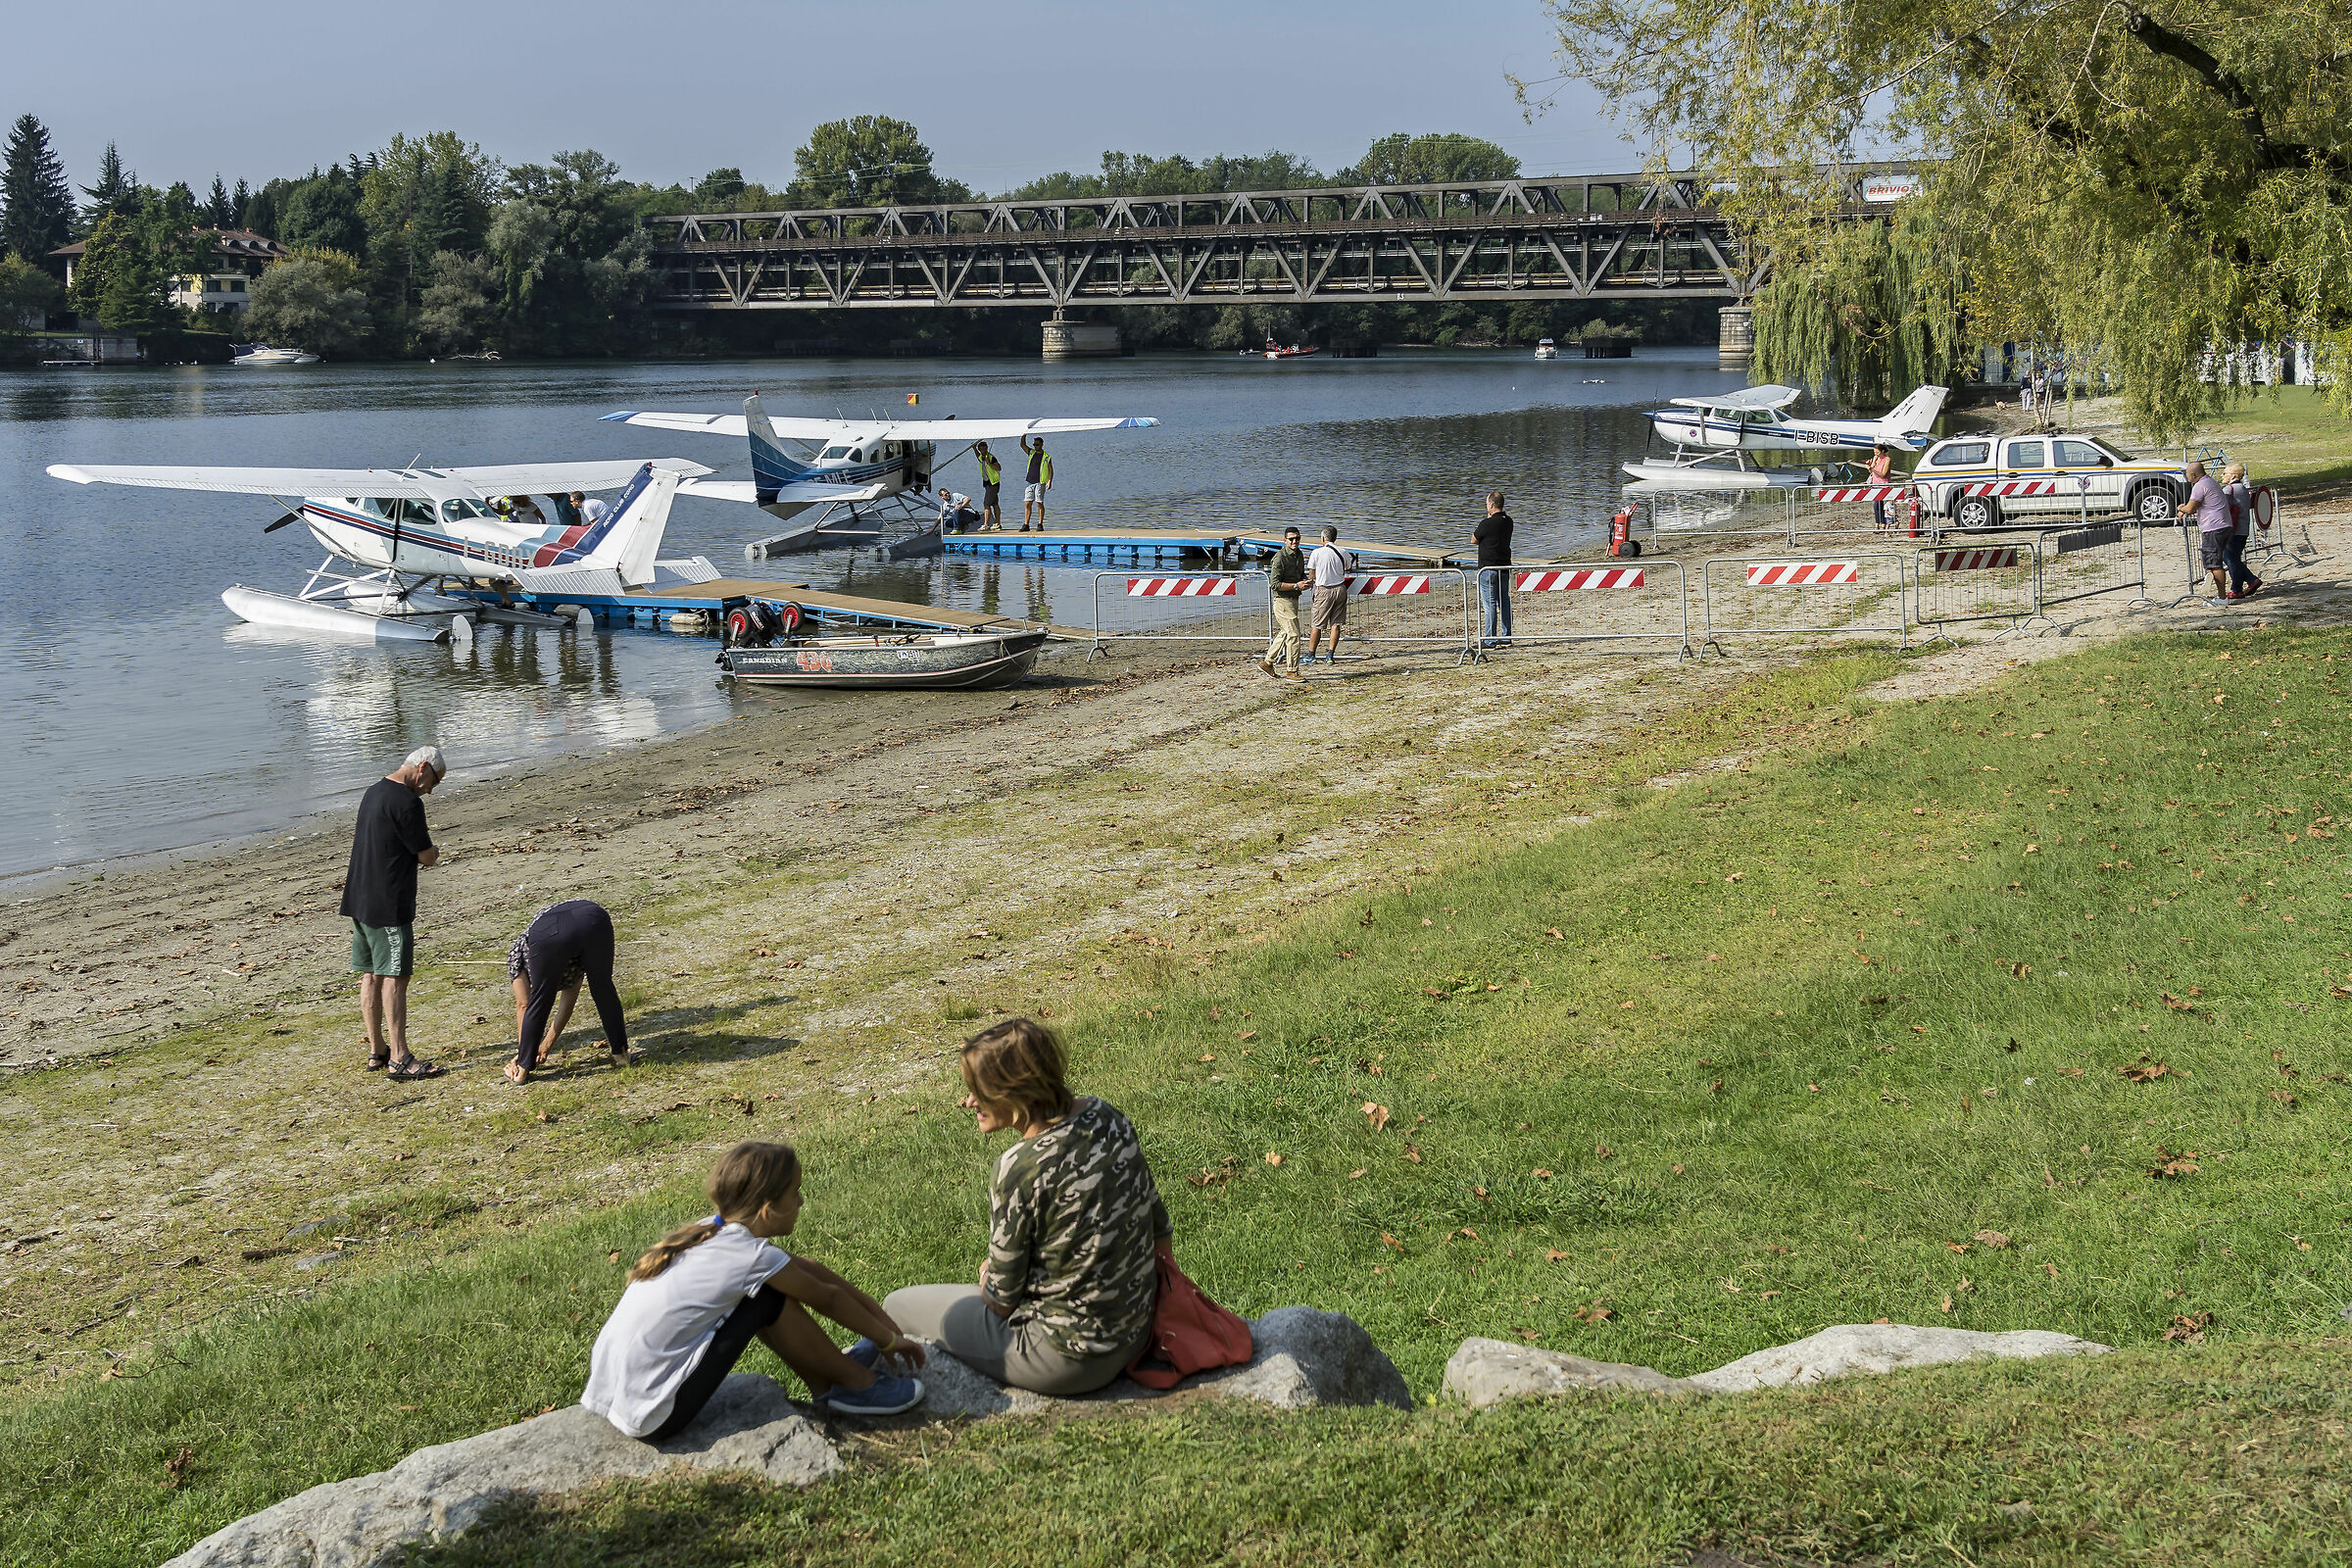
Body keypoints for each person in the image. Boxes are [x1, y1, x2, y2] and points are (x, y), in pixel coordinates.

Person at [883, 1020, 1168, 1396]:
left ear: (1013, 1091)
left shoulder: (1017, 1167)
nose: (968, 1102)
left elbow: (1001, 1302)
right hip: (1138, 1334)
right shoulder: (1106, 1117)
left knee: (895, 1304)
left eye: (977, 1091)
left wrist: (988, 1273)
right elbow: (1158, 1227)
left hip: (1066, 1361)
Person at [582, 1141, 927, 1436]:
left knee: (767, 1288)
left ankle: (832, 1375)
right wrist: (888, 1340)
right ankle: (853, 1384)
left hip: (622, 1396)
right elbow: (828, 1298)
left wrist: (881, 1321)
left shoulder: (711, 1231)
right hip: (656, 1414)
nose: (802, 1202)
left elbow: (809, 1269)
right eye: (795, 1193)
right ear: (768, 1209)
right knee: (765, 1297)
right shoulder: (749, 1257)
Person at [340, 746, 446, 1081]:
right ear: (423, 767)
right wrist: (434, 852)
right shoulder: (407, 802)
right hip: (388, 905)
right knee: (395, 978)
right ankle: (399, 1058)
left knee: (370, 975)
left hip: (359, 898)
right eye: (433, 782)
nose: (430, 790)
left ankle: (377, 1050)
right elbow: (426, 856)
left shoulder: (374, 791)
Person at [506, 900, 636, 1087]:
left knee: (541, 999)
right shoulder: (571, 962)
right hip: (594, 917)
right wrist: (542, 1047)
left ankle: (522, 1072)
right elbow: (568, 1002)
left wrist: (525, 1054)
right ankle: (621, 1055)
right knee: (603, 987)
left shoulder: (516, 957)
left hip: (549, 932)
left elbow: (525, 1005)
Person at [2177, 461, 2233, 607]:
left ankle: (2222, 598)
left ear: (2194, 475)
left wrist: (2181, 508)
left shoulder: (2199, 486)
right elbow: (2196, 507)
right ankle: (2208, 578)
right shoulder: (2211, 482)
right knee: (2210, 560)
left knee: (2215, 564)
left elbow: (2190, 509)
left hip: (2213, 528)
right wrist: (2187, 508)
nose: (2187, 477)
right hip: (2224, 525)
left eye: (2188, 475)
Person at [1257, 525, 1309, 682]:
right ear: (1285, 540)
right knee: (1294, 634)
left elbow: (1300, 575)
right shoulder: (1280, 557)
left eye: (1297, 538)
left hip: (1294, 599)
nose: (1295, 541)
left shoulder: (1299, 555)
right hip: (1282, 601)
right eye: (1291, 539)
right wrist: (1295, 586)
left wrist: (1306, 581)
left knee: (1286, 632)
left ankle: (1267, 663)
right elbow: (1274, 584)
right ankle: (1292, 671)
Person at [1303, 524, 1350, 667]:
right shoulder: (1343, 551)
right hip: (1340, 589)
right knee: (1336, 624)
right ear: (1335, 538)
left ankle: (1311, 654)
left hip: (1324, 590)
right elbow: (1348, 567)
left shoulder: (1316, 552)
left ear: (1323, 538)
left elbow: (1312, 573)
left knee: (1317, 624)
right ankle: (1330, 655)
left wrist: (1312, 581)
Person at [1474, 491, 1514, 650]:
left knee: (1490, 604)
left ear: (1491, 505)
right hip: (1504, 566)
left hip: (1488, 568)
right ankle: (1506, 636)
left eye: (1487, 504)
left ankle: (1490, 639)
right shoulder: (1509, 521)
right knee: (1504, 601)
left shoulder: (1486, 523)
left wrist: (1487, 520)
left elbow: (1474, 539)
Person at [2221, 462, 2261, 601]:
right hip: (2243, 528)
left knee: (2229, 558)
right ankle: (2247, 582)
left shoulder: (2229, 490)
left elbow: (2221, 508)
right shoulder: (2242, 489)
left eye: (2225, 473)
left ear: (2232, 475)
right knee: (2233, 558)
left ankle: (2240, 586)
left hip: (2233, 529)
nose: (2222, 475)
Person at [1019, 435, 1053, 531]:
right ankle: (1026, 524)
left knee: (1039, 503)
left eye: (1037, 444)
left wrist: (1049, 481)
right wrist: (1023, 435)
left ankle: (1040, 524)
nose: (1035, 446)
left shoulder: (1047, 456)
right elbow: (1022, 445)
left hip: (1040, 482)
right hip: (1030, 482)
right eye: (1034, 444)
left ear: (1041, 444)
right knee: (1027, 503)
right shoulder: (1031, 452)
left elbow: (1050, 469)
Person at [1866, 444, 1896, 530]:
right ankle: (1878, 523)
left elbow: (1883, 474)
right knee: (1876, 506)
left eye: (1877, 452)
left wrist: (1872, 470)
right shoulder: (1875, 458)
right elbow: (1871, 471)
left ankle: (1882, 524)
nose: (1876, 454)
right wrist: (1869, 466)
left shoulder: (1887, 460)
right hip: (1875, 484)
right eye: (1874, 452)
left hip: (1884, 484)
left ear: (1882, 451)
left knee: (1880, 505)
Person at [974, 442, 1004, 530]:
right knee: (994, 504)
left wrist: (989, 464)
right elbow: (978, 456)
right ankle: (997, 524)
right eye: (981, 449)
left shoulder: (991, 457)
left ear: (987, 448)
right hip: (987, 483)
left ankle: (986, 525)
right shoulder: (980, 457)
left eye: (984, 449)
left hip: (993, 483)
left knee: (986, 504)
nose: (983, 450)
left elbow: (999, 468)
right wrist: (974, 448)